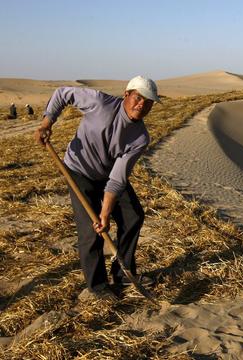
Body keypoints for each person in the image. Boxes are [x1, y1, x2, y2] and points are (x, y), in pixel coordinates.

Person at [34, 76, 161, 300]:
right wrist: (47, 122)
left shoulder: (140, 137)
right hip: (79, 170)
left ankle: (123, 273)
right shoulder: (100, 103)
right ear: (126, 95)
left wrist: (105, 213)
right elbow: (63, 93)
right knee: (90, 231)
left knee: (133, 216)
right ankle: (97, 285)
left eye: (148, 102)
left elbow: (117, 179)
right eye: (138, 98)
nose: (142, 104)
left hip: (107, 175)